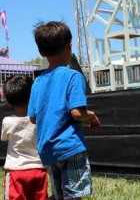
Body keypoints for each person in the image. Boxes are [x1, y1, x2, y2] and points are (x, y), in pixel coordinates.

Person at [28, 21, 101, 200]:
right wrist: (92, 116)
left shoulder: (37, 82)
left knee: (59, 196)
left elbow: (32, 118)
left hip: (48, 150)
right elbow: (77, 113)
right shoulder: (73, 76)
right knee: (74, 196)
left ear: (41, 52)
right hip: (70, 147)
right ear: (69, 46)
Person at [1, 75, 48, 200]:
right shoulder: (41, 120)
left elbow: (4, 138)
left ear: (8, 102)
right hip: (39, 169)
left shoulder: (8, 121)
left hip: (16, 170)